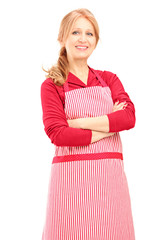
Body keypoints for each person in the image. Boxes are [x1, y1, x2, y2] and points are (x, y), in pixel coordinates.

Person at [40, 8, 136, 240]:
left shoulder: (110, 79)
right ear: (62, 38)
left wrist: (78, 123)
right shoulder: (52, 86)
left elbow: (129, 118)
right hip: (71, 183)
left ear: (96, 40)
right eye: (75, 32)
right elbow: (59, 134)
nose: (83, 39)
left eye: (89, 34)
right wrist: (108, 127)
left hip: (109, 183)